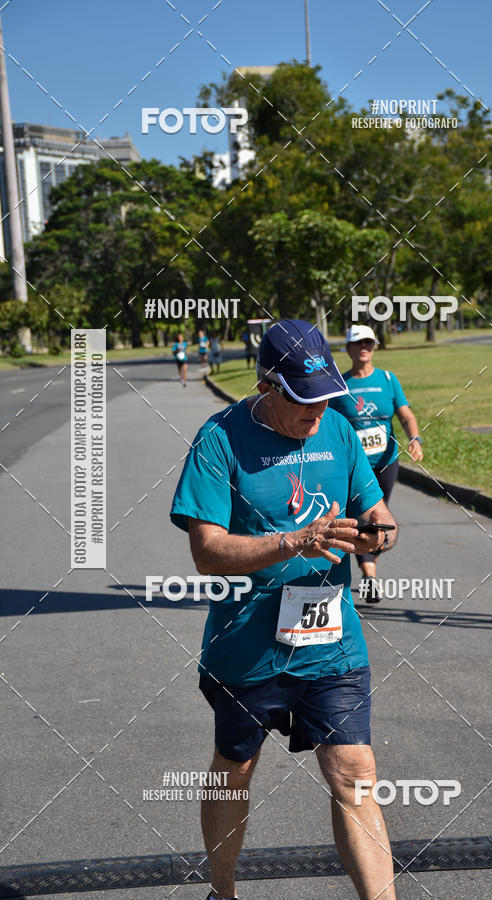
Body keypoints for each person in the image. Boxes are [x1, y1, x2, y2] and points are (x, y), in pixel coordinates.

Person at [170, 319, 398, 900]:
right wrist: (292, 541)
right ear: (267, 384)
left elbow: (378, 515)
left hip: (332, 642)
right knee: (235, 772)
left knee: (355, 774)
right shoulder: (220, 438)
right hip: (248, 646)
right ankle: (222, 892)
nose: (316, 411)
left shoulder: (340, 432)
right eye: (303, 399)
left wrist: (378, 535)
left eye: (325, 397)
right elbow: (207, 551)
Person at [329, 324, 422, 603]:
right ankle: (370, 576)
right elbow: (328, 425)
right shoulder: (339, 387)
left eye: (368, 343)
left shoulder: (388, 379)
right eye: (358, 343)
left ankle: (368, 570)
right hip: (355, 466)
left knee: (379, 517)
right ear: (348, 349)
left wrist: (414, 438)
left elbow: (405, 414)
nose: (364, 348)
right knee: (363, 516)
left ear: (375, 347)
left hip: (386, 460)